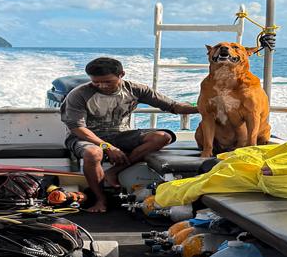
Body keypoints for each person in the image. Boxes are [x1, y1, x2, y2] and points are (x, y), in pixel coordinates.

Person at [60, 57, 198, 212]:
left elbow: (173, 106)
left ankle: (114, 171)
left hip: (120, 134)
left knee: (163, 137)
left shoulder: (135, 89)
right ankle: (100, 200)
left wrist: (204, 107)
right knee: (93, 153)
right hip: (86, 137)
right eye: (96, 82)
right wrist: (107, 146)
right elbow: (77, 128)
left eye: (108, 81)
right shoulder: (79, 94)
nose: (102, 86)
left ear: (121, 74)